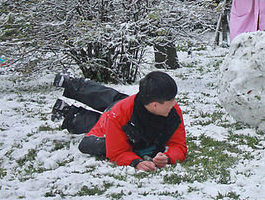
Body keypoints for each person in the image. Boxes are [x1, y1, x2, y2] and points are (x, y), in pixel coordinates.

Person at [51, 71, 187, 171]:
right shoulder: (119, 115)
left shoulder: (171, 110)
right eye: (170, 101)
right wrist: (135, 162)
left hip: (125, 107)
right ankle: (70, 113)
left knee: (112, 98)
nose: (174, 103)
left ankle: (68, 104)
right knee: (93, 140)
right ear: (155, 105)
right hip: (116, 117)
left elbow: (179, 145)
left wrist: (168, 157)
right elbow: (117, 152)